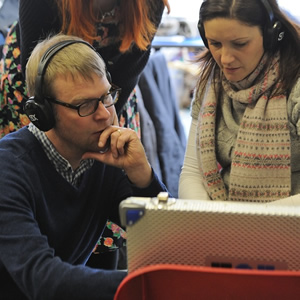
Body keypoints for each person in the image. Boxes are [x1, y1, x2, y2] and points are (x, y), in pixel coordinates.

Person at [0, 33, 169, 299]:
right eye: (85, 105)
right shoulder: (8, 169)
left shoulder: (105, 155)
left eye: (106, 97)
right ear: (42, 113)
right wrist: (147, 284)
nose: (104, 114)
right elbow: (43, 279)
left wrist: (142, 176)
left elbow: (166, 242)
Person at [179, 0, 300, 202]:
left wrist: (245, 222)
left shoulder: (295, 84)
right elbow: (192, 172)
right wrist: (207, 218)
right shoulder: (210, 84)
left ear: (271, 35)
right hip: (225, 223)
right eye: (215, 43)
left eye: (240, 44)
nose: (225, 59)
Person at [0, 0, 170, 137]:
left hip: (110, 91)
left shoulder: (150, 4)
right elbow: (37, 70)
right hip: (38, 82)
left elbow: (128, 73)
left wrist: (105, 117)